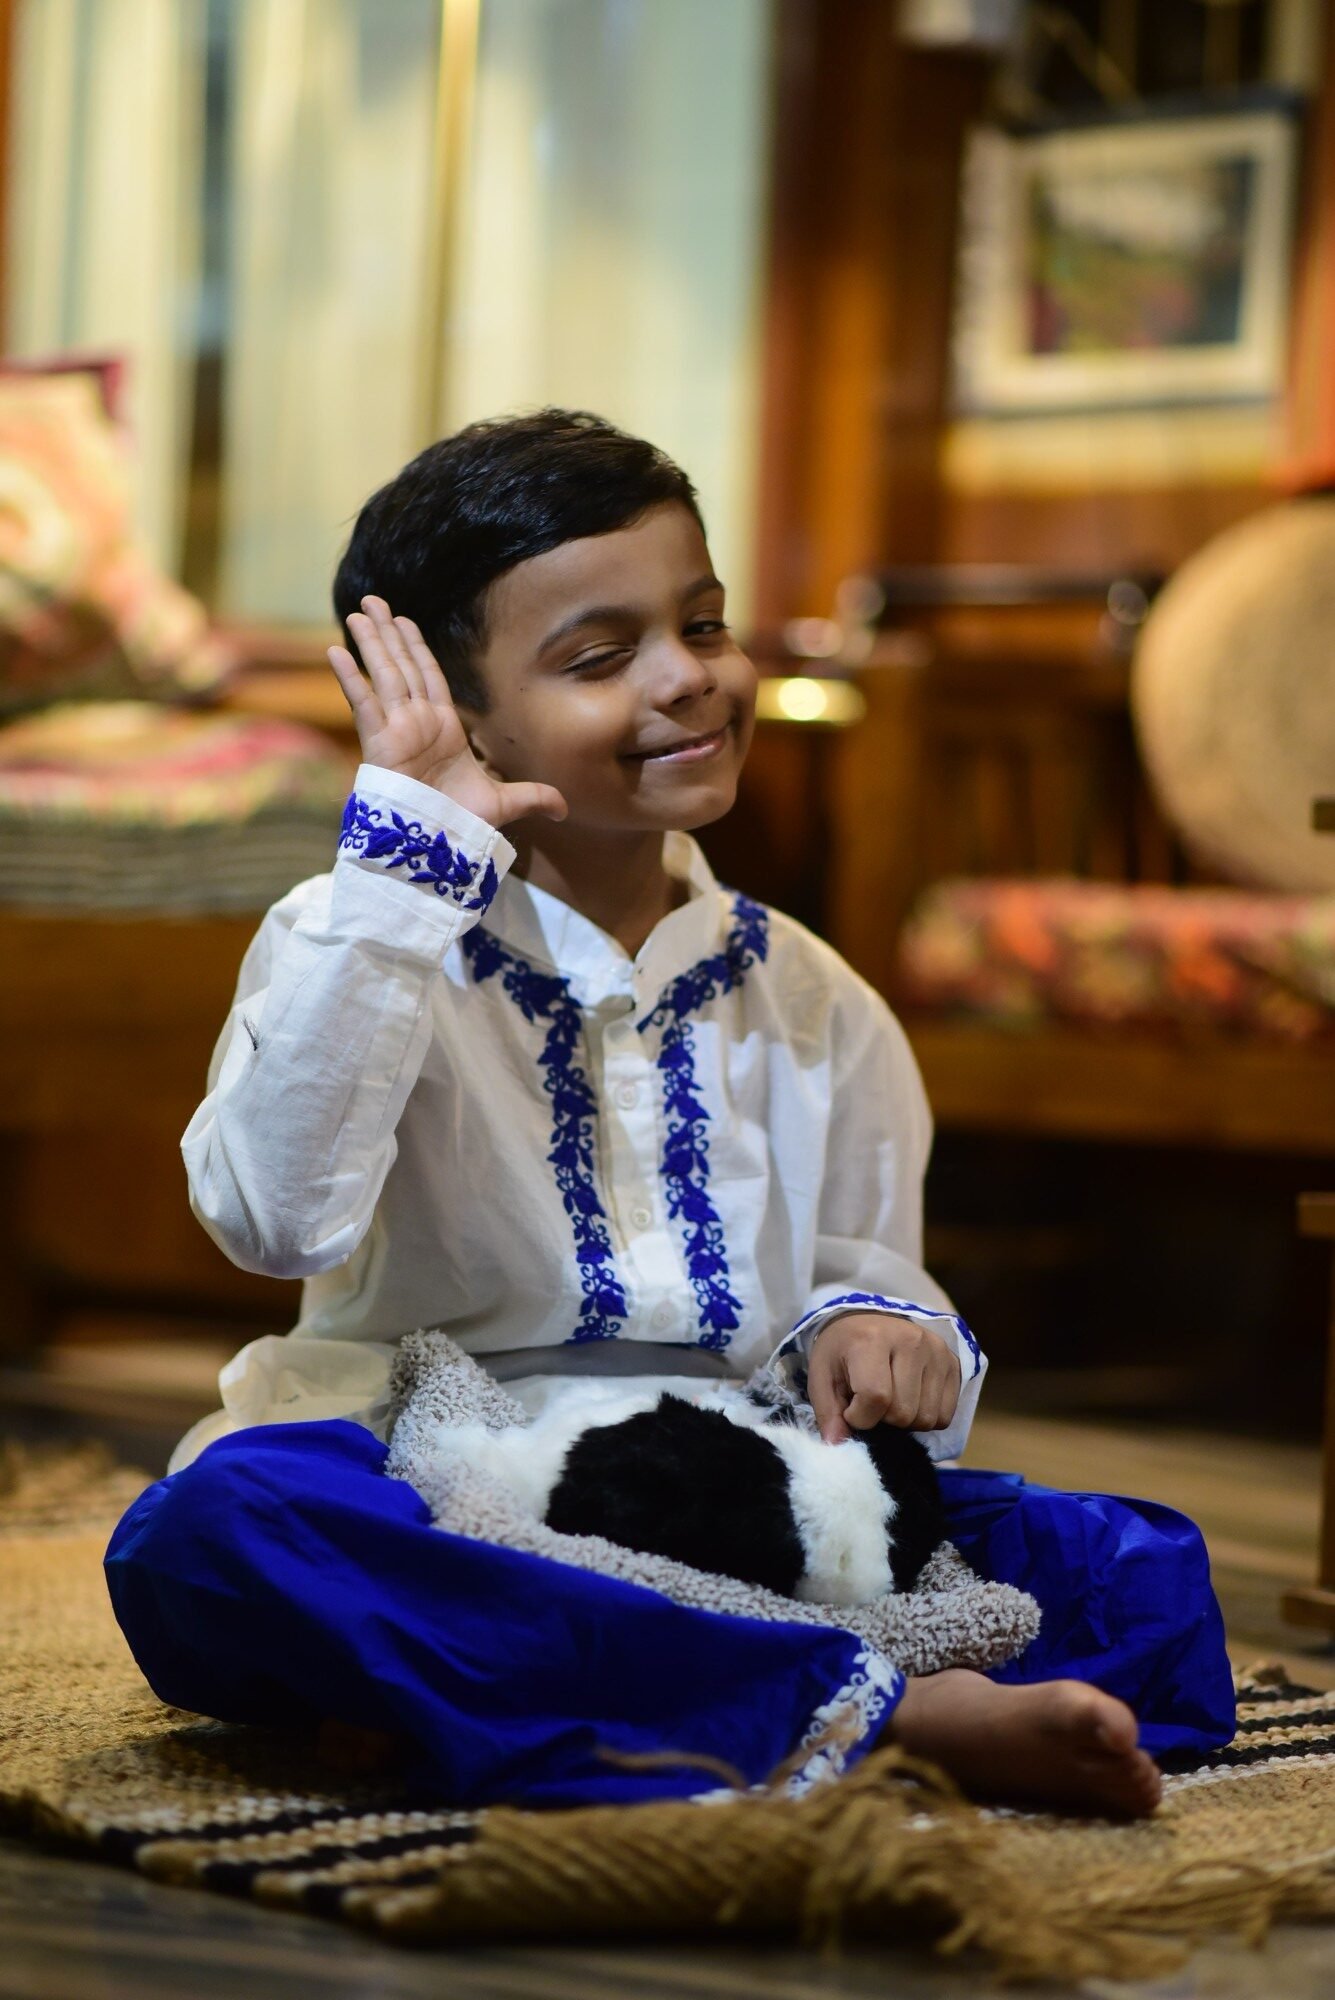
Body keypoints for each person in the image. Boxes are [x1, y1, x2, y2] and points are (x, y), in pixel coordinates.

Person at [105, 412, 1233, 1815]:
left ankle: (541, 1689)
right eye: (600, 656)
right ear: (461, 712)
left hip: (741, 1496)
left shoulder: (816, 996)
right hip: (432, 1481)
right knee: (219, 1534)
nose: (689, 677)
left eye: (702, 624)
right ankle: (884, 1709)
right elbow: (276, 1222)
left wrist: (874, 1330)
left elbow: (866, 1270)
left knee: (1139, 1570)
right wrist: (405, 872)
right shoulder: (361, 935)